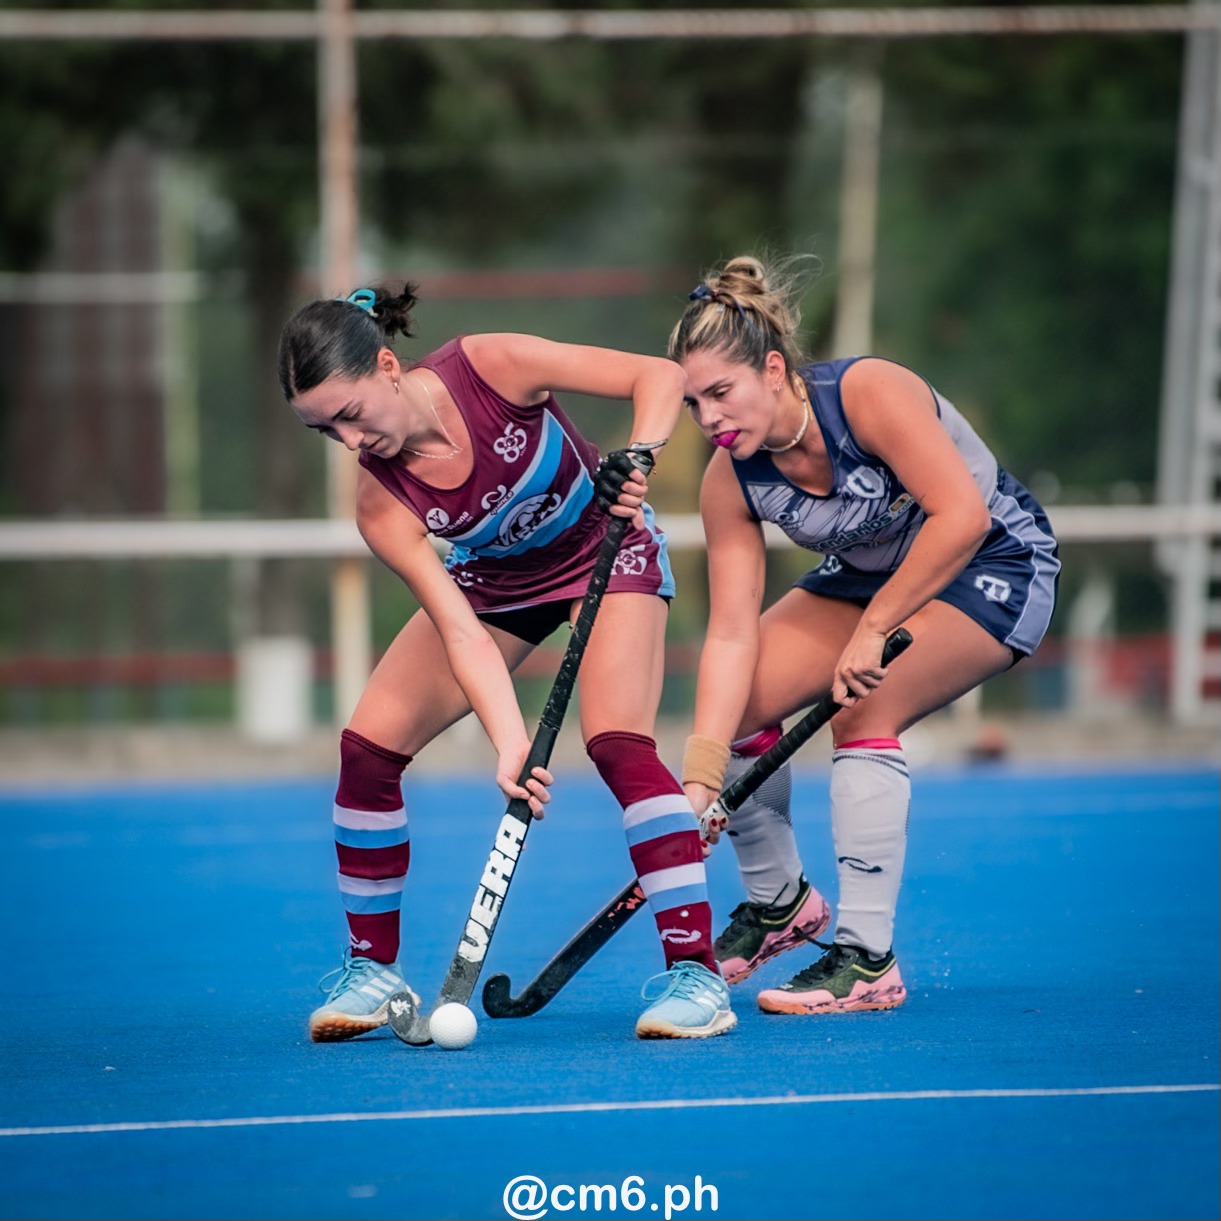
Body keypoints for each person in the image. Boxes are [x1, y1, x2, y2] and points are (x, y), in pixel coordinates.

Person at [277, 284, 735, 1042]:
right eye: (326, 432)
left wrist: (641, 453)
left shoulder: (490, 365)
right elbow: (459, 631)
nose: (351, 443)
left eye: (351, 414)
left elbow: (658, 376)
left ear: (388, 366)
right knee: (366, 748)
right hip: (495, 585)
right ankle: (373, 970)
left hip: (605, 549)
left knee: (617, 743)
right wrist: (510, 743)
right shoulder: (379, 504)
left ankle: (696, 974)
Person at [670, 255, 1060, 1014]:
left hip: (993, 560)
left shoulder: (865, 395)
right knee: (737, 701)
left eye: (721, 392)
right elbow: (727, 635)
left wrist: (875, 628)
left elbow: (960, 516)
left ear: (773, 369)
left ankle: (866, 958)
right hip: (868, 579)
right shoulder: (731, 478)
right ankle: (779, 901)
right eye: (692, 403)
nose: (710, 418)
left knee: (862, 710)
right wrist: (701, 774)